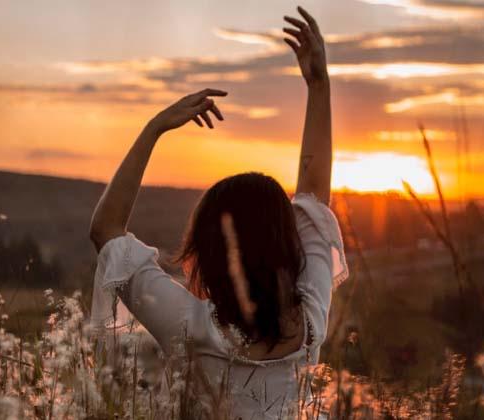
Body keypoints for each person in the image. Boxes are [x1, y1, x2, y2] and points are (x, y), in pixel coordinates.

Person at [88, 6, 347, 419]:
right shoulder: (311, 319)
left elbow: (106, 231)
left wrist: (154, 128)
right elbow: (314, 195)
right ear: (285, 243)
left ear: (211, 251)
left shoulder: (192, 326)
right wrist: (319, 85)